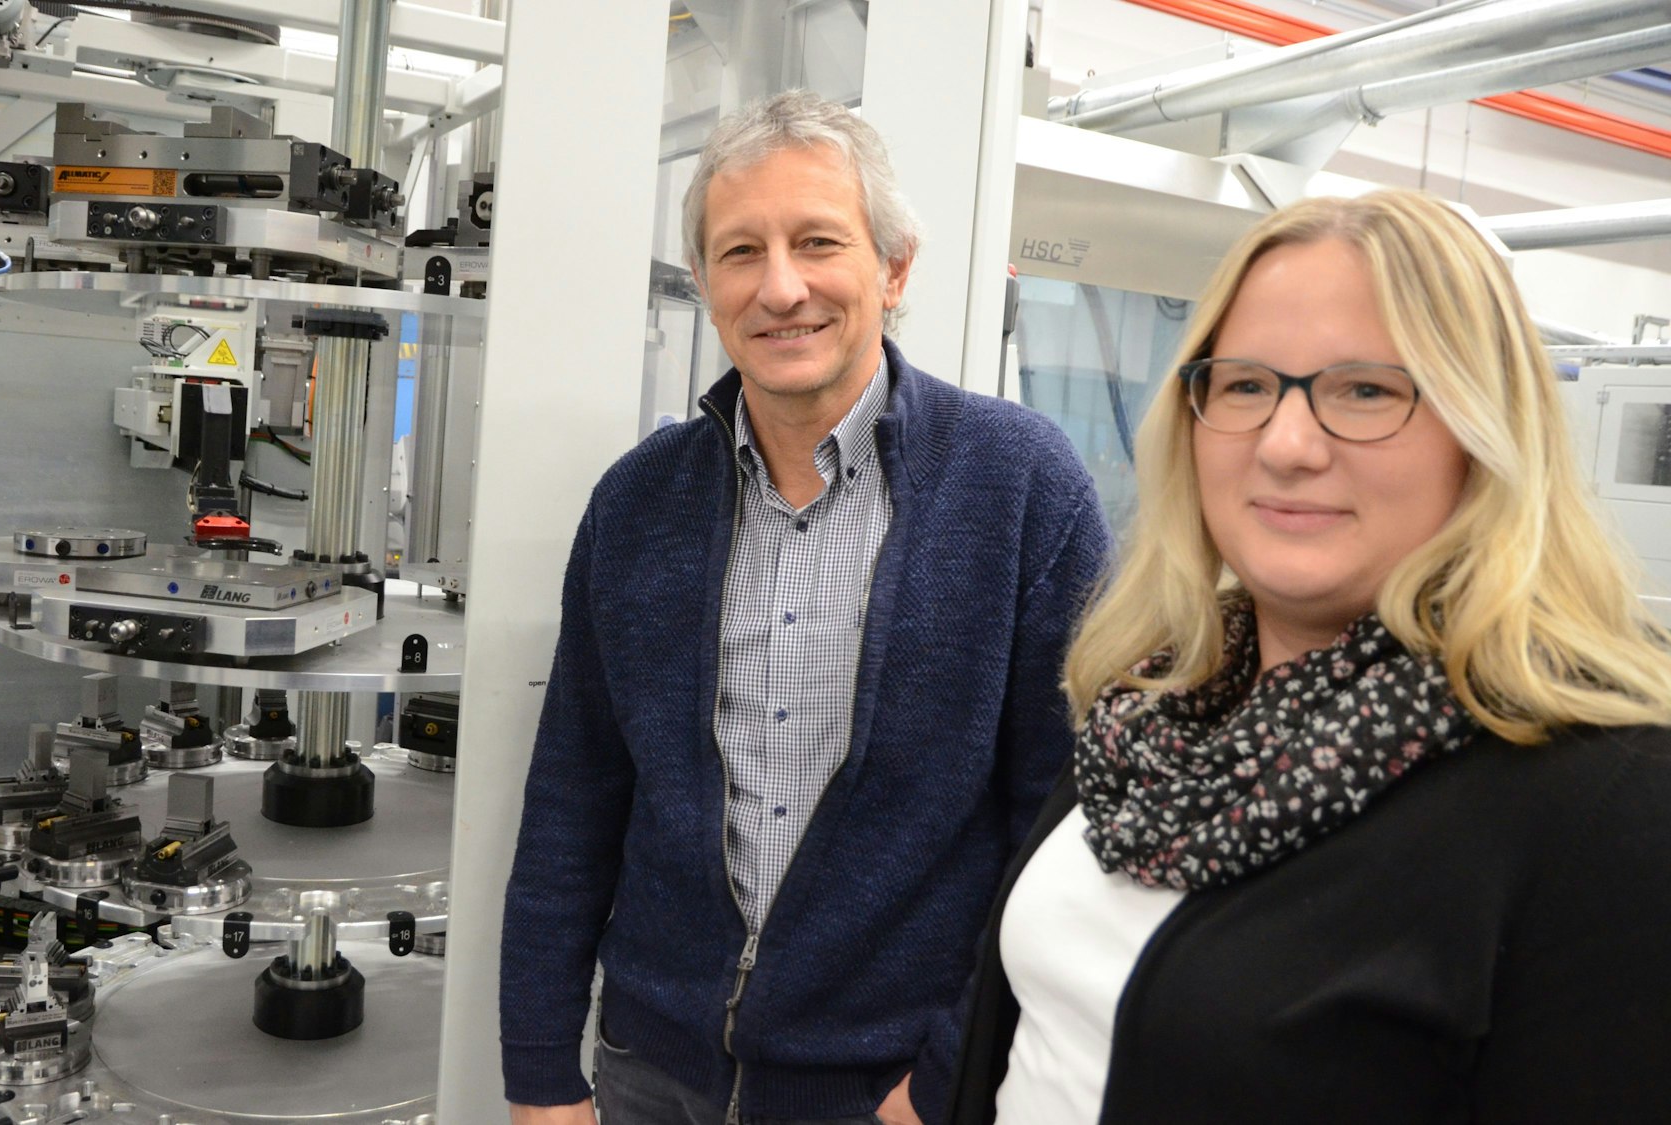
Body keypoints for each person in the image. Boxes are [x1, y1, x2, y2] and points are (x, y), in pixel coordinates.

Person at [944, 189, 1671, 1124]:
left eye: (1365, 389)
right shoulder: (1157, 702)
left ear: (1484, 430)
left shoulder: (1607, 793)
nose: (1287, 445)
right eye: (1246, 385)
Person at [499, 90, 1111, 1125]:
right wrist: (540, 1072)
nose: (781, 288)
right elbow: (572, 799)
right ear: (703, 282)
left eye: (817, 242)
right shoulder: (636, 503)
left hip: (884, 1088)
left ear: (893, 267)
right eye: (740, 253)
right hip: (651, 1071)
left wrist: (950, 1070)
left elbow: (1061, 822)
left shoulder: (1017, 486)